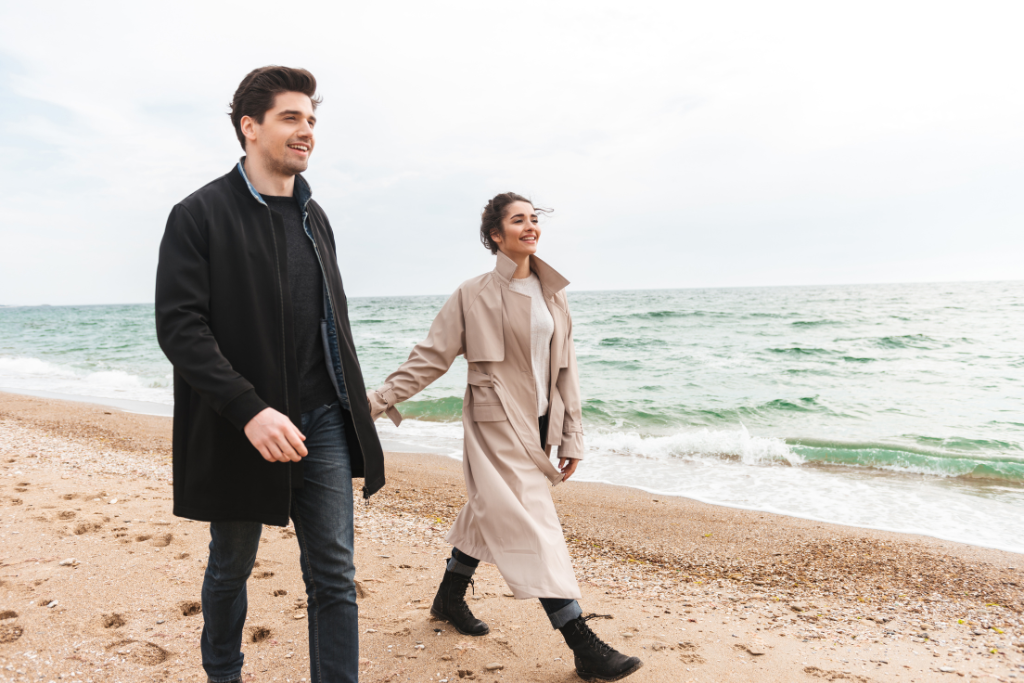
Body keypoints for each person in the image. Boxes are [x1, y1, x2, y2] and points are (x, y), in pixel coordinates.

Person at [155, 66, 384, 683]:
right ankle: (223, 674)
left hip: (323, 421)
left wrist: (358, 401)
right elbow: (180, 328)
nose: (306, 131)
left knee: (335, 572)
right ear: (249, 127)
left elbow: (329, 324)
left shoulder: (317, 218)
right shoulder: (198, 214)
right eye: (291, 118)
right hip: (242, 423)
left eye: (311, 120)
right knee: (231, 564)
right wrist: (250, 410)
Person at [367, 193, 643, 682]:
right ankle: (581, 642)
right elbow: (431, 356)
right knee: (533, 523)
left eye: (534, 219)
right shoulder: (471, 294)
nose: (531, 227)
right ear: (497, 235)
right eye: (519, 220)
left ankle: (449, 598)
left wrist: (572, 437)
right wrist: (376, 400)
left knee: (488, 507)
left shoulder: (554, 294)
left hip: (540, 427)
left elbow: (566, 372)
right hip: (495, 426)